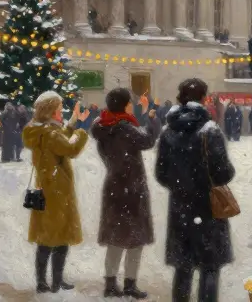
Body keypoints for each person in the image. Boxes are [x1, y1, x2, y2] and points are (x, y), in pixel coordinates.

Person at [155, 78, 236, 302]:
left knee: (183, 268)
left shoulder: (167, 132)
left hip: (180, 208)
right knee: (209, 267)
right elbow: (223, 174)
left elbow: (161, 174)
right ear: (203, 98)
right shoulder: (210, 130)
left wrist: (181, 186)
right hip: (207, 208)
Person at [92, 89, 158, 299]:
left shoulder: (104, 126)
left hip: (114, 186)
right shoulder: (126, 129)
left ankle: (111, 284)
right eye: (131, 103)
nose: (133, 105)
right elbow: (147, 140)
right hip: (132, 189)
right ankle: (130, 284)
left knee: (115, 238)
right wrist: (149, 114)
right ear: (124, 105)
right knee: (135, 240)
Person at [23, 92, 91, 293]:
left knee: (48, 237)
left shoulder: (41, 131)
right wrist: (81, 132)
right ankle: (54, 281)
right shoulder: (50, 134)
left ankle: (44, 281)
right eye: (60, 110)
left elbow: (60, 140)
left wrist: (72, 123)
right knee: (59, 238)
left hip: (46, 188)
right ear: (51, 112)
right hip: (58, 191)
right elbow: (70, 149)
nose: (62, 113)